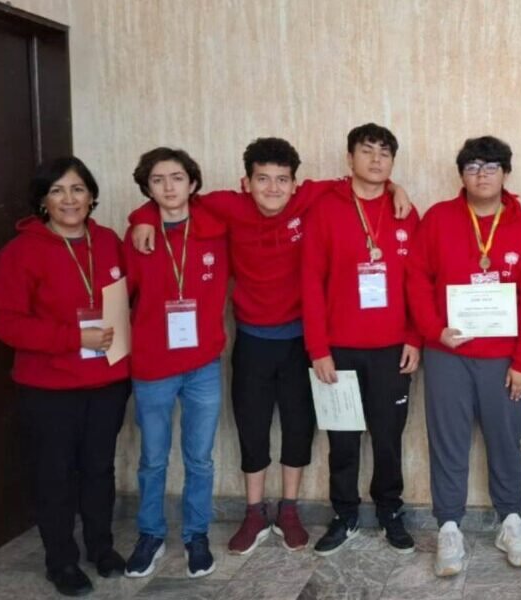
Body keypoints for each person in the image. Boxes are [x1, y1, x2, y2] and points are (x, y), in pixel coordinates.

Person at [129, 138, 412, 556]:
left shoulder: (311, 198)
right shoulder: (227, 206)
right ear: (246, 182)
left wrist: (396, 188)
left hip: (300, 341)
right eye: (263, 179)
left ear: (296, 184)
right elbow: (175, 198)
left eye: (282, 180)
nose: (273, 188)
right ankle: (254, 512)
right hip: (252, 340)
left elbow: (367, 179)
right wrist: (141, 217)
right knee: (253, 427)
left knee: (298, 429)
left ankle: (290, 510)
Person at [0, 157, 131, 596]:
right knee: (54, 475)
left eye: (78, 189)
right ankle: (61, 561)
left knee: (99, 470)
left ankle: (101, 547)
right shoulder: (20, 252)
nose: (69, 199)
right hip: (48, 388)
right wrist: (74, 337)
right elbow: (5, 322)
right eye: (57, 190)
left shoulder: (108, 241)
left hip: (107, 383)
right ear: (43, 201)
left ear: (91, 196)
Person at [406, 136, 521, 577]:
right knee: (448, 441)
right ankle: (449, 527)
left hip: (504, 359)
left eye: (490, 166)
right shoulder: (438, 218)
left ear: (505, 173)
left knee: (506, 441)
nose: (481, 174)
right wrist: (434, 330)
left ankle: (511, 523)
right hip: (448, 354)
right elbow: (416, 280)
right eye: (472, 167)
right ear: (461, 175)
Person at [301, 123, 421, 556]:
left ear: (393, 163)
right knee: (343, 439)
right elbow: (311, 282)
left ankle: (390, 511)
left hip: (392, 349)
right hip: (339, 348)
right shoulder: (324, 209)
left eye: (384, 153)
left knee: (388, 437)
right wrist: (318, 349)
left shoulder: (405, 211)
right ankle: (345, 514)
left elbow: (417, 281)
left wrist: (414, 337)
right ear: (350, 157)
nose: (375, 159)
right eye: (367, 151)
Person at [122, 148, 229, 579]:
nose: (169, 187)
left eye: (177, 178)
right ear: (147, 189)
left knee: (200, 458)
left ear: (193, 183)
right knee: (152, 458)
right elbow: (121, 299)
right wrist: (141, 218)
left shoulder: (216, 229)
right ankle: (150, 533)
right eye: (158, 180)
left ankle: (196, 535)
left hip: (203, 363)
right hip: (153, 366)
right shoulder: (137, 237)